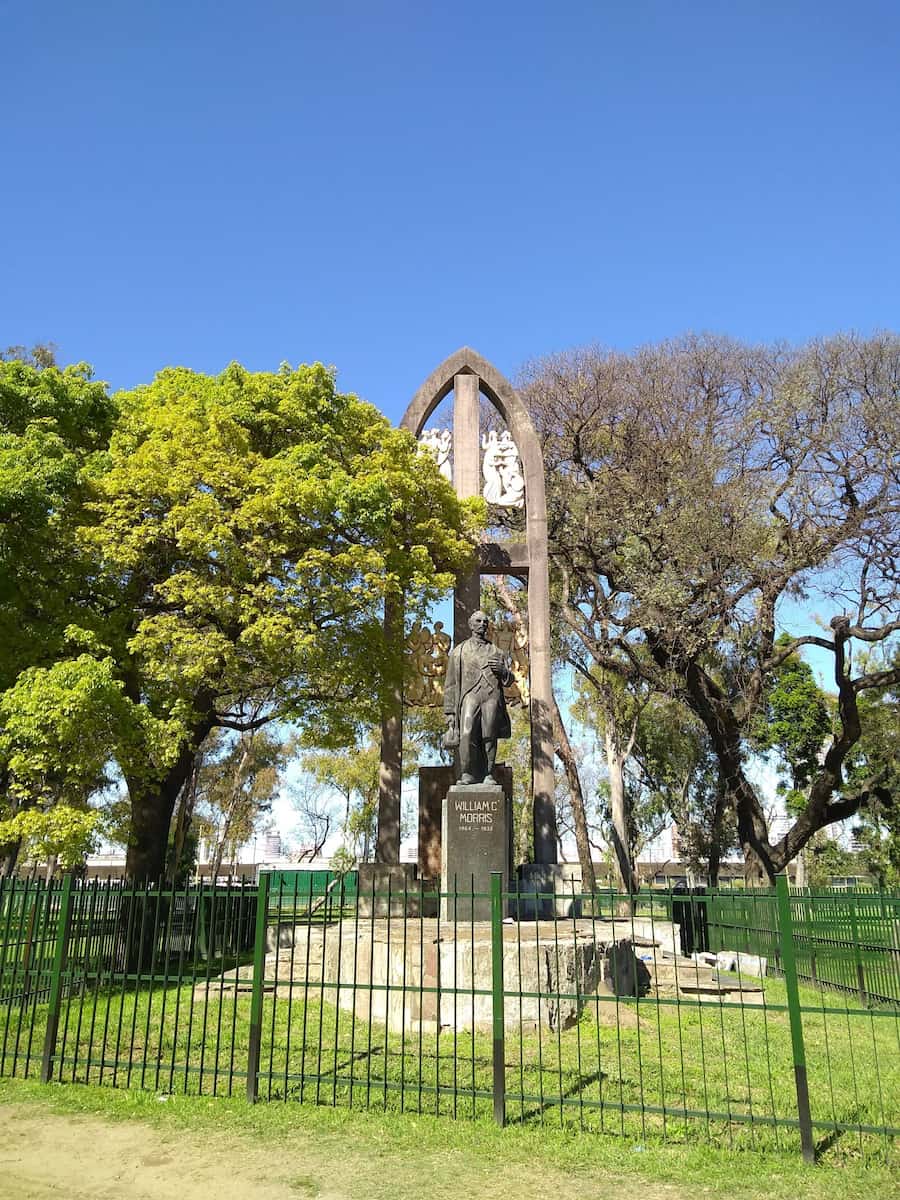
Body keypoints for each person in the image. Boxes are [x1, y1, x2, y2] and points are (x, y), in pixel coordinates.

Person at [442, 610, 513, 784]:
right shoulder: (459, 652)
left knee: (489, 734)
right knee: (466, 733)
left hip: (491, 695)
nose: (482, 624)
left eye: (485, 622)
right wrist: (450, 713)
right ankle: (467, 773)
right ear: (470, 624)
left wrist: (503, 671)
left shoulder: (497, 651)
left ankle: (488, 773)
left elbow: (509, 679)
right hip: (469, 695)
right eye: (478, 621)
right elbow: (450, 683)